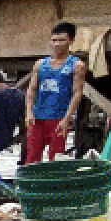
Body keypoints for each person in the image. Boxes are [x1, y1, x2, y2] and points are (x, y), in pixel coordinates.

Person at [25, 21, 86, 164]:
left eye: (61, 40)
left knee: (55, 158)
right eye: (54, 40)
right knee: (32, 156)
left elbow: (77, 93)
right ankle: (32, 184)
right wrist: (29, 112)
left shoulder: (77, 65)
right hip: (37, 118)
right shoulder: (40, 64)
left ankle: (52, 185)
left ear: (70, 41)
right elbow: (32, 89)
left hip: (59, 119)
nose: (57, 44)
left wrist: (67, 119)